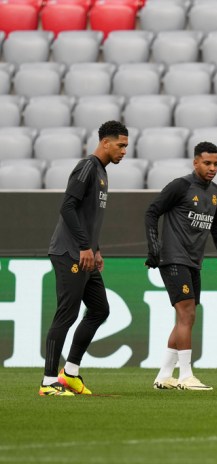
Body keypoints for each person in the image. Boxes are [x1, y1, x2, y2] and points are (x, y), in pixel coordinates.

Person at [39, 120, 129, 397]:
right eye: (121, 145)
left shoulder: (101, 171)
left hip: (85, 252)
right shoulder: (87, 167)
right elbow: (67, 206)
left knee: (100, 310)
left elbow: (87, 216)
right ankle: (48, 382)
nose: (124, 151)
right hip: (69, 252)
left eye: (126, 146)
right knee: (67, 315)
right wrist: (84, 246)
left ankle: (71, 374)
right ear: (105, 142)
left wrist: (95, 247)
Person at [145, 141, 217, 391]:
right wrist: (154, 247)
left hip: (194, 262)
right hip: (174, 258)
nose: (212, 168)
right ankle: (185, 375)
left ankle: (163, 375)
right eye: (207, 163)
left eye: (216, 163)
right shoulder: (180, 186)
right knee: (187, 315)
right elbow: (152, 211)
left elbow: (215, 224)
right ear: (195, 162)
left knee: (186, 317)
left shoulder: (215, 191)